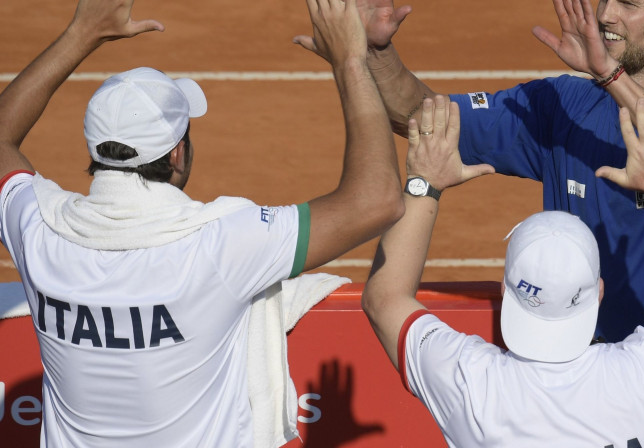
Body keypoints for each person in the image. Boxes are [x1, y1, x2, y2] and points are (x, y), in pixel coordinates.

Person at [301, 0, 644, 444]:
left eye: (629, 3)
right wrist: (377, 53)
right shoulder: (562, 104)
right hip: (563, 382)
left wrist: (611, 78)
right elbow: (427, 119)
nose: (606, 14)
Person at [0, 0, 404, 446]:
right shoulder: (222, 241)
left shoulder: (39, 227)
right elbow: (377, 201)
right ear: (177, 154)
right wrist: (351, 60)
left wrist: (81, 33)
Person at [361, 93, 644, 447]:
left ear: (506, 291)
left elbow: (384, 298)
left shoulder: (473, 384)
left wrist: (423, 184)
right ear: (598, 292)